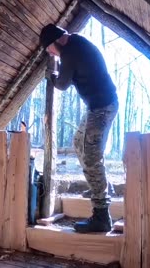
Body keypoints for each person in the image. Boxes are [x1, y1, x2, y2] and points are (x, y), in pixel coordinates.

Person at [40, 24, 118, 233]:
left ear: (55, 42)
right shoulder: (77, 43)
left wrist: (52, 75)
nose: (51, 53)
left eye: (49, 50)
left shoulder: (70, 52)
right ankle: (100, 187)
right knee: (78, 142)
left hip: (101, 107)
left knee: (91, 156)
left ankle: (101, 215)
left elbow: (62, 85)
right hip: (100, 106)